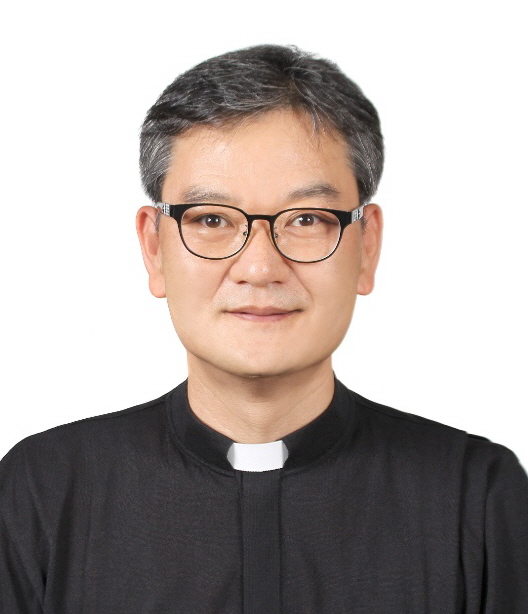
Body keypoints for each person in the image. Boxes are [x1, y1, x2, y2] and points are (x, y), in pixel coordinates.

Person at [1, 44, 527, 614]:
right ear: (154, 249)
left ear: (367, 246)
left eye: (307, 219)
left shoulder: (476, 496)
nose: (258, 268)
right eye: (211, 219)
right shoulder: (44, 490)